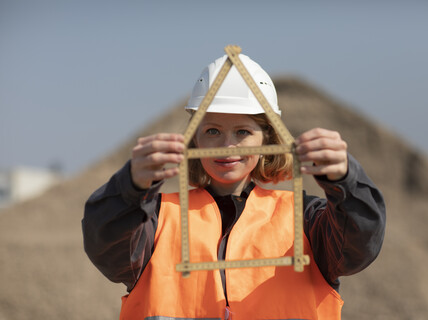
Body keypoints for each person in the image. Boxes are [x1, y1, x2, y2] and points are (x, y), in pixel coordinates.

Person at [82, 53, 386, 320]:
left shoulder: (306, 219)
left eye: (243, 131)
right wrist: (131, 185)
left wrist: (345, 180)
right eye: (212, 130)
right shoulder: (153, 219)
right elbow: (106, 245)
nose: (227, 146)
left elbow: (357, 245)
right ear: (195, 139)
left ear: (266, 139)